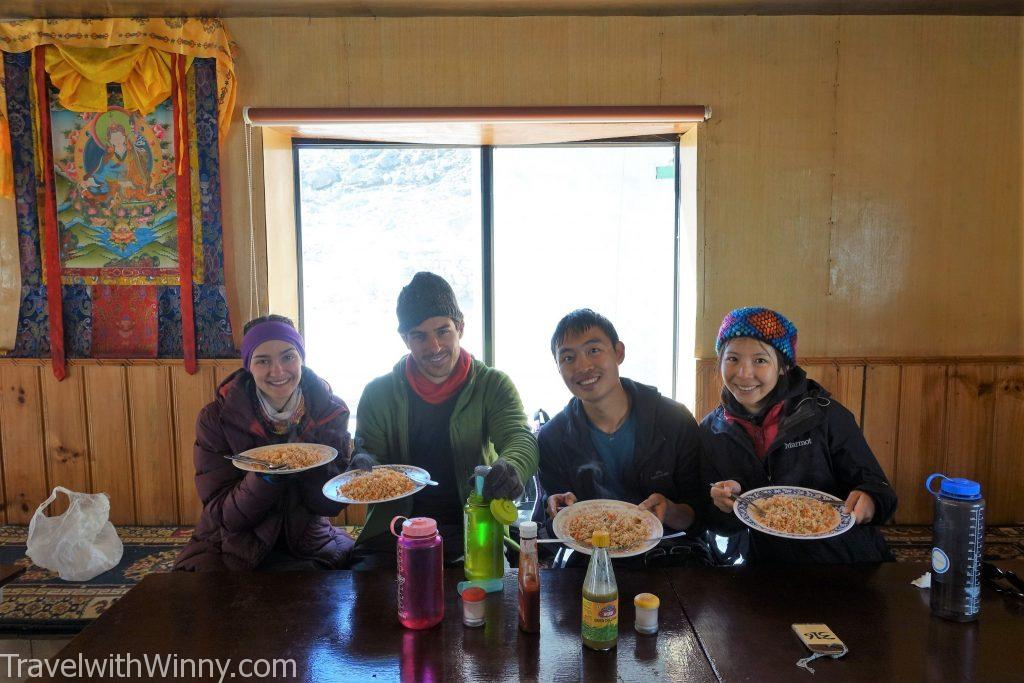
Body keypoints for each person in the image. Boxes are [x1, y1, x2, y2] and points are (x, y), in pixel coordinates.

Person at [348, 272, 538, 569]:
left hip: (474, 528)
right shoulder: (378, 393)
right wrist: (362, 461)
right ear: (404, 339)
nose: (434, 347)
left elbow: (519, 437)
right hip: (393, 534)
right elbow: (369, 453)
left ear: (460, 327)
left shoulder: (492, 385)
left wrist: (511, 466)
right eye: (419, 336)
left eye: (443, 331)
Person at [702, 306, 897, 564]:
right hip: (759, 569)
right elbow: (712, 519)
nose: (744, 373)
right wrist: (723, 505)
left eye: (760, 360)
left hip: (840, 564)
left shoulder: (825, 417)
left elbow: (880, 490)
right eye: (733, 359)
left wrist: (870, 501)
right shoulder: (712, 430)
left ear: (783, 367)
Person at [174, 315, 354, 571]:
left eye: (288, 357)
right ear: (249, 366)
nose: (278, 371)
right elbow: (224, 516)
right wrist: (264, 478)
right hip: (231, 546)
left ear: (301, 358)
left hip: (309, 542)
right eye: (263, 361)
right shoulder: (216, 418)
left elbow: (329, 505)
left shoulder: (329, 411)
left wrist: (328, 472)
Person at [538, 309, 705, 565]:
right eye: (568, 358)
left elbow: (699, 515)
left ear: (618, 352)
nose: (583, 366)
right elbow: (551, 529)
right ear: (558, 368)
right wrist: (558, 513)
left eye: (594, 350)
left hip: (669, 559)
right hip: (591, 564)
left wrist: (670, 511)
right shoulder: (553, 437)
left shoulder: (674, 420)